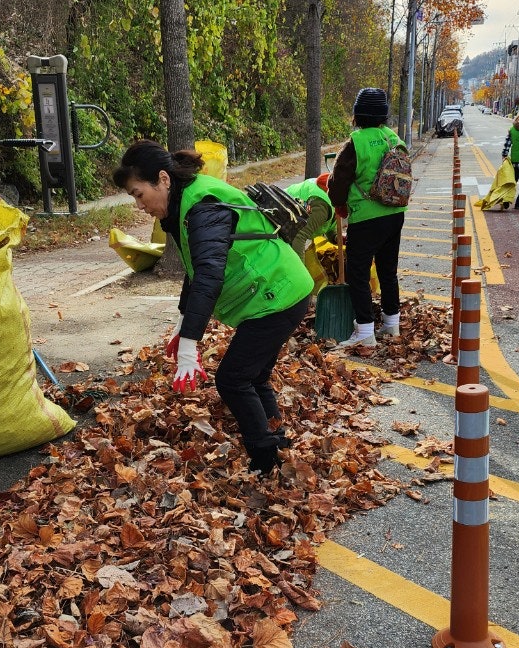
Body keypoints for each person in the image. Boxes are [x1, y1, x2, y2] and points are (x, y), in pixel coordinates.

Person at [112, 140, 313, 475]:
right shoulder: (187, 200)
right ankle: (276, 445)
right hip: (281, 289)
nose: (138, 205)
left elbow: (209, 273)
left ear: (162, 179)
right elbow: (196, 268)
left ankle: (265, 462)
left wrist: (191, 340)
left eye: (138, 193)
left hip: (277, 294)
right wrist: (182, 319)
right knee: (254, 376)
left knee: (233, 380)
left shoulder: (202, 207)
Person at [326, 87, 407, 346]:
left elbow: (338, 182)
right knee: (387, 269)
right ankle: (392, 323)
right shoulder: (394, 139)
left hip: (366, 216)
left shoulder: (356, 142)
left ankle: (364, 332)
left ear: (357, 115)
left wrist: (339, 204)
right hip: (395, 214)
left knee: (357, 272)